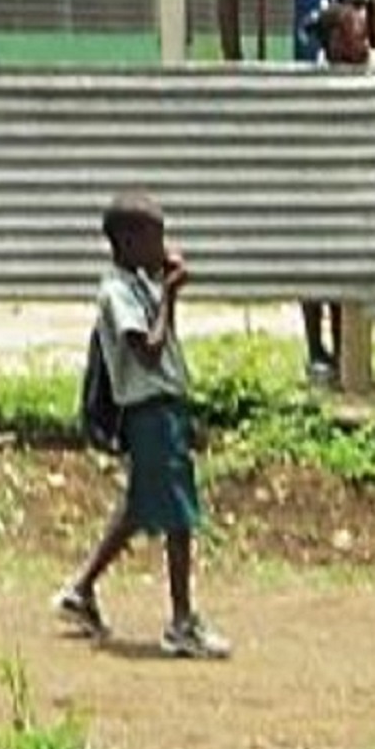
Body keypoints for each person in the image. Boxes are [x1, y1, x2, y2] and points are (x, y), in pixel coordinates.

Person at [52, 191, 229, 659]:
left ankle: (81, 589)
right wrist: (169, 293)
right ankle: (181, 621)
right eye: (155, 236)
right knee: (178, 517)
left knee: (138, 508)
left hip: (164, 406)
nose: (163, 245)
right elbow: (147, 353)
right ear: (127, 242)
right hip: (148, 410)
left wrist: (165, 288)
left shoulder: (138, 283)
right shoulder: (117, 293)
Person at [301, 0, 375, 383]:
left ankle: (348, 353)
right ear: (335, 41)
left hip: (363, 191)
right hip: (320, 191)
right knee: (315, 274)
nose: (365, 41)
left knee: (353, 278)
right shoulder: (312, 80)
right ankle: (317, 351)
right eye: (357, 34)